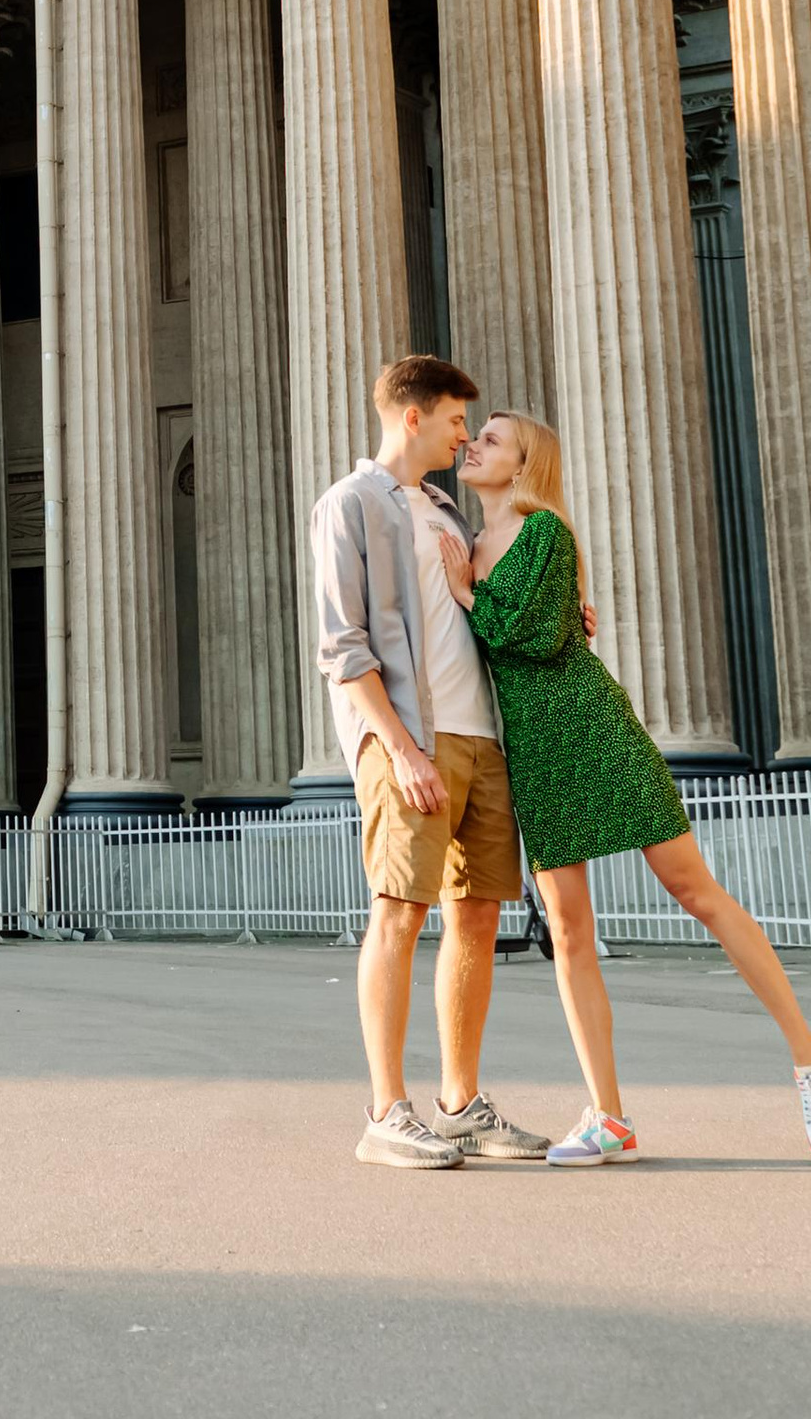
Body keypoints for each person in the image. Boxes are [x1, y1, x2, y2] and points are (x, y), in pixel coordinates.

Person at [449, 411, 811, 1164]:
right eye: (473, 433)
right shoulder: (466, 543)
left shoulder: (543, 529)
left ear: (521, 465)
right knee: (570, 933)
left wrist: (470, 597)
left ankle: (807, 1057)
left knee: (696, 890)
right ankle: (609, 1118)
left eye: (491, 438)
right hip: (536, 755)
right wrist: (466, 590)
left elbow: (538, 637)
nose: (473, 444)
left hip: (591, 726)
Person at [314, 355, 549, 1169]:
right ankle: (385, 1112)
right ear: (412, 417)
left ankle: (460, 1106)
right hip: (409, 740)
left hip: (483, 738)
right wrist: (402, 747)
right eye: (456, 420)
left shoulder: (449, 513)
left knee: (478, 917)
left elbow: (486, 605)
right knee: (400, 913)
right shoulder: (350, 505)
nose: (463, 435)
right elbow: (342, 646)